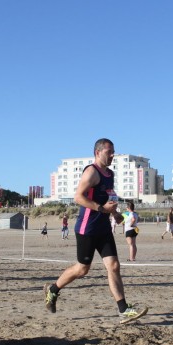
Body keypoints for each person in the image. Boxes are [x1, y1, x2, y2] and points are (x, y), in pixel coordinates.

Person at [43, 138, 146, 322]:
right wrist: (101, 209)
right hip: (87, 229)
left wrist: (114, 214)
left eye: (113, 151)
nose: (112, 155)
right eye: (109, 151)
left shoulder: (110, 174)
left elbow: (109, 198)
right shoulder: (91, 172)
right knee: (82, 269)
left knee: (114, 266)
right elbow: (78, 197)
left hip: (104, 228)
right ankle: (53, 289)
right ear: (97, 153)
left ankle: (123, 309)